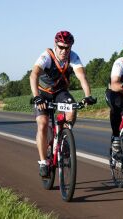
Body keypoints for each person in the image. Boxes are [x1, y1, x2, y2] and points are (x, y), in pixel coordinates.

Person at [30, 30, 96, 177]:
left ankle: (64, 136)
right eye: (61, 47)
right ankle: (43, 162)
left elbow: (82, 76)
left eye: (67, 47)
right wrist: (36, 97)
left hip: (60, 92)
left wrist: (87, 96)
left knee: (72, 109)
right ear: (56, 45)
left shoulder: (73, 57)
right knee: (42, 122)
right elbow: (34, 75)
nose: (64, 51)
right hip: (43, 93)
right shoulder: (47, 56)